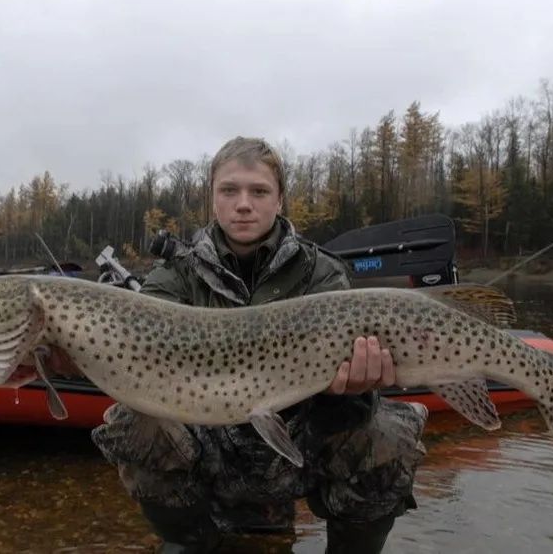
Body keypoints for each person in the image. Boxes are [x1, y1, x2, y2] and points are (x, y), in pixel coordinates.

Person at [88, 137, 428, 553]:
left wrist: (355, 390)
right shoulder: (173, 278)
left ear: (279, 199)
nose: (243, 204)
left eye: (259, 191)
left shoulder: (321, 274)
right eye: (229, 190)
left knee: (387, 433)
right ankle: (191, 541)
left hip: (299, 443)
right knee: (131, 422)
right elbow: (137, 358)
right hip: (210, 446)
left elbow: (353, 412)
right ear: (212, 199)